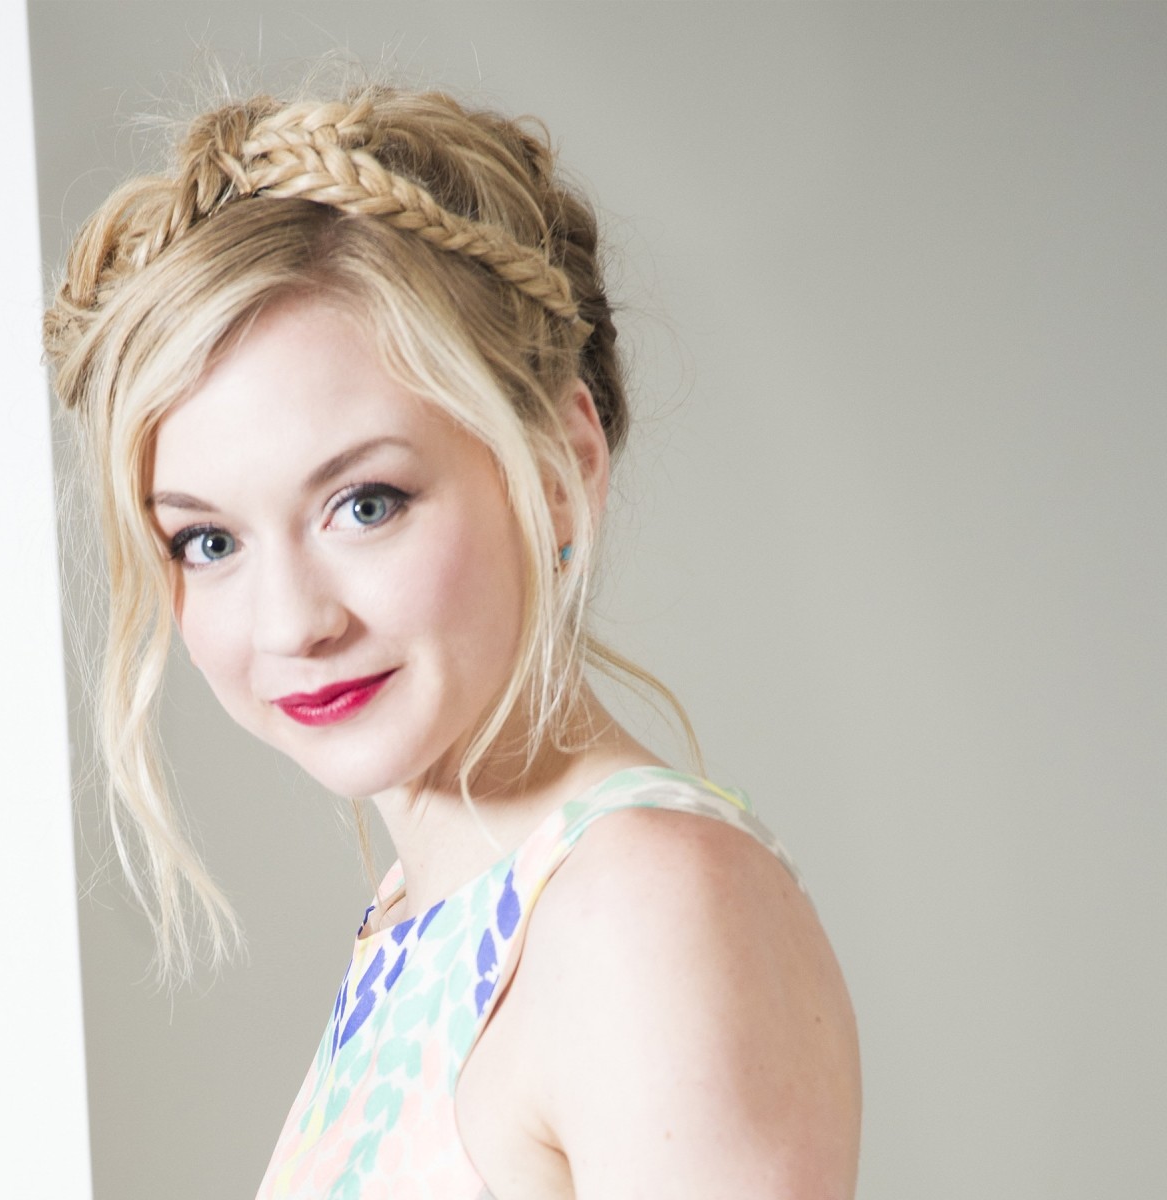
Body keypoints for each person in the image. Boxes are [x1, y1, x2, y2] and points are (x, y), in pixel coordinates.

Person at [44, 85, 860, 1199]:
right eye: (209, 540)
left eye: (364, 504)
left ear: (561, 471)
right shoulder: (417, 924)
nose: (292, 622)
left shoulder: (641, 910)